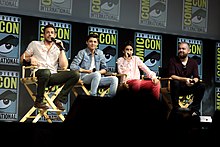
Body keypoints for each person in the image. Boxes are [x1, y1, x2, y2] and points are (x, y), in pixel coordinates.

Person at [20, 24, 80, 110]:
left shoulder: (57, 47)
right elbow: (22, 59)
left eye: (52, 33)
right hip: (38, 72)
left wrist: (61, 49)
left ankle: (59, 100)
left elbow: (64, 66)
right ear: (44, 35)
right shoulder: (35, 44)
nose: (50, 34)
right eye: (47, 32)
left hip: (52, 75)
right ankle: (39, 101)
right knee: (45, 72)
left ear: (55, 35)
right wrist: (30, 59)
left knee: (75, 74)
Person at [168, 42, 205, 116]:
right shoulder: (173, 60)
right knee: (175, 82)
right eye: (179, 49)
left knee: (201, 85)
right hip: (176, 88)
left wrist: (193, 82)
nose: (181, 50)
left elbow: (196, 77)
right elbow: (172, 76)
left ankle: (195, 109)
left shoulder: (193, 62)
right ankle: (176, 108)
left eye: (183, 49)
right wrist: (185, 79)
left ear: (188, 51)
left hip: (188, 86)